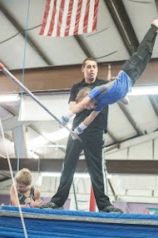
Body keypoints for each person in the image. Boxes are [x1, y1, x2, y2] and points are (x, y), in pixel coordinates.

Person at [61, 15, 158, 137]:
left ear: (87, 95)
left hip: (129, 70)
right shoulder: (100, 105)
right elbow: (90, 119)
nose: (87, 107)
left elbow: (80, 106)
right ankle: (155, 30)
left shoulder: (97, 90)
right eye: (87, 107)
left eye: (86, 104)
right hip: (133, 78)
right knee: (148, 53)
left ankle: (154, 25)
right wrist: (78, 130)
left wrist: (67, 116)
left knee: (143, 50)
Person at [41, 61, 122, 212]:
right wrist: (84, 101)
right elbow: (72, 107)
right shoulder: (76, 88)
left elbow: (121, 98)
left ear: (97, 70)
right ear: (83, 69)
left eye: (94, 67)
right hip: (77, 130)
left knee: (96, 169)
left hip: (96, 130)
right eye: (89, 67)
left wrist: (116, 86)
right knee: (68, 166)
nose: (92, 70)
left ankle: (104, 205)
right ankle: (57, 201)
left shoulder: (104, 85)